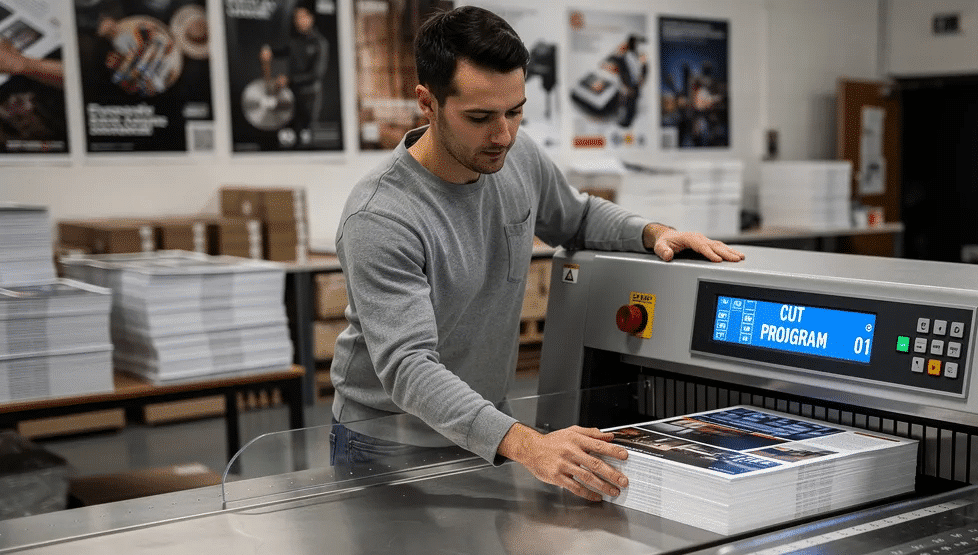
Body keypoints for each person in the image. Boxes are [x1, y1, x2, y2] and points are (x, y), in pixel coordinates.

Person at [329, 6, 744, 501]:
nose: (502, 135)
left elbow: (578, 218)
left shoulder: (515, 158)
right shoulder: (381, 216)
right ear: (428, 103)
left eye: (515, 111)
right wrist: (529, 444)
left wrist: (653, 233)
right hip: (387, 446)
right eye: (480, 117)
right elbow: (410, 368)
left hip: (484, 430)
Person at [259, 0, 328, 145]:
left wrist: (289, 80)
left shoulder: (320, 43)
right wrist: (270, 52)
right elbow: (284, 51)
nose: (299, 21)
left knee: (307, 138)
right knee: (289, 136)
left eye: (303, 17)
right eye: (297, 17)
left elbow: (316, 75)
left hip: (310, 96)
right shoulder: (294, 41)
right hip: (291, 95)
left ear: (311, 18)